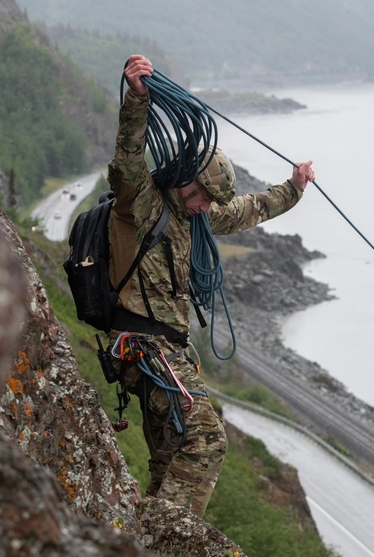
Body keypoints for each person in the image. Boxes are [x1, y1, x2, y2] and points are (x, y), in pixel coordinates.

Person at [108, 54, 315, 517]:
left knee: (170, 455)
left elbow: (247, 209)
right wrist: (137, 101)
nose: (206, 208)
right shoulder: (139, 204)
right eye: (202, 196)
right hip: (143, 344)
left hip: (165, 351)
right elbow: (126, 159)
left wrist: (294, 187)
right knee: (205, 439)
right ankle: (165, 544)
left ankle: (147, 553)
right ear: (185, 181)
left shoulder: (191, 214)